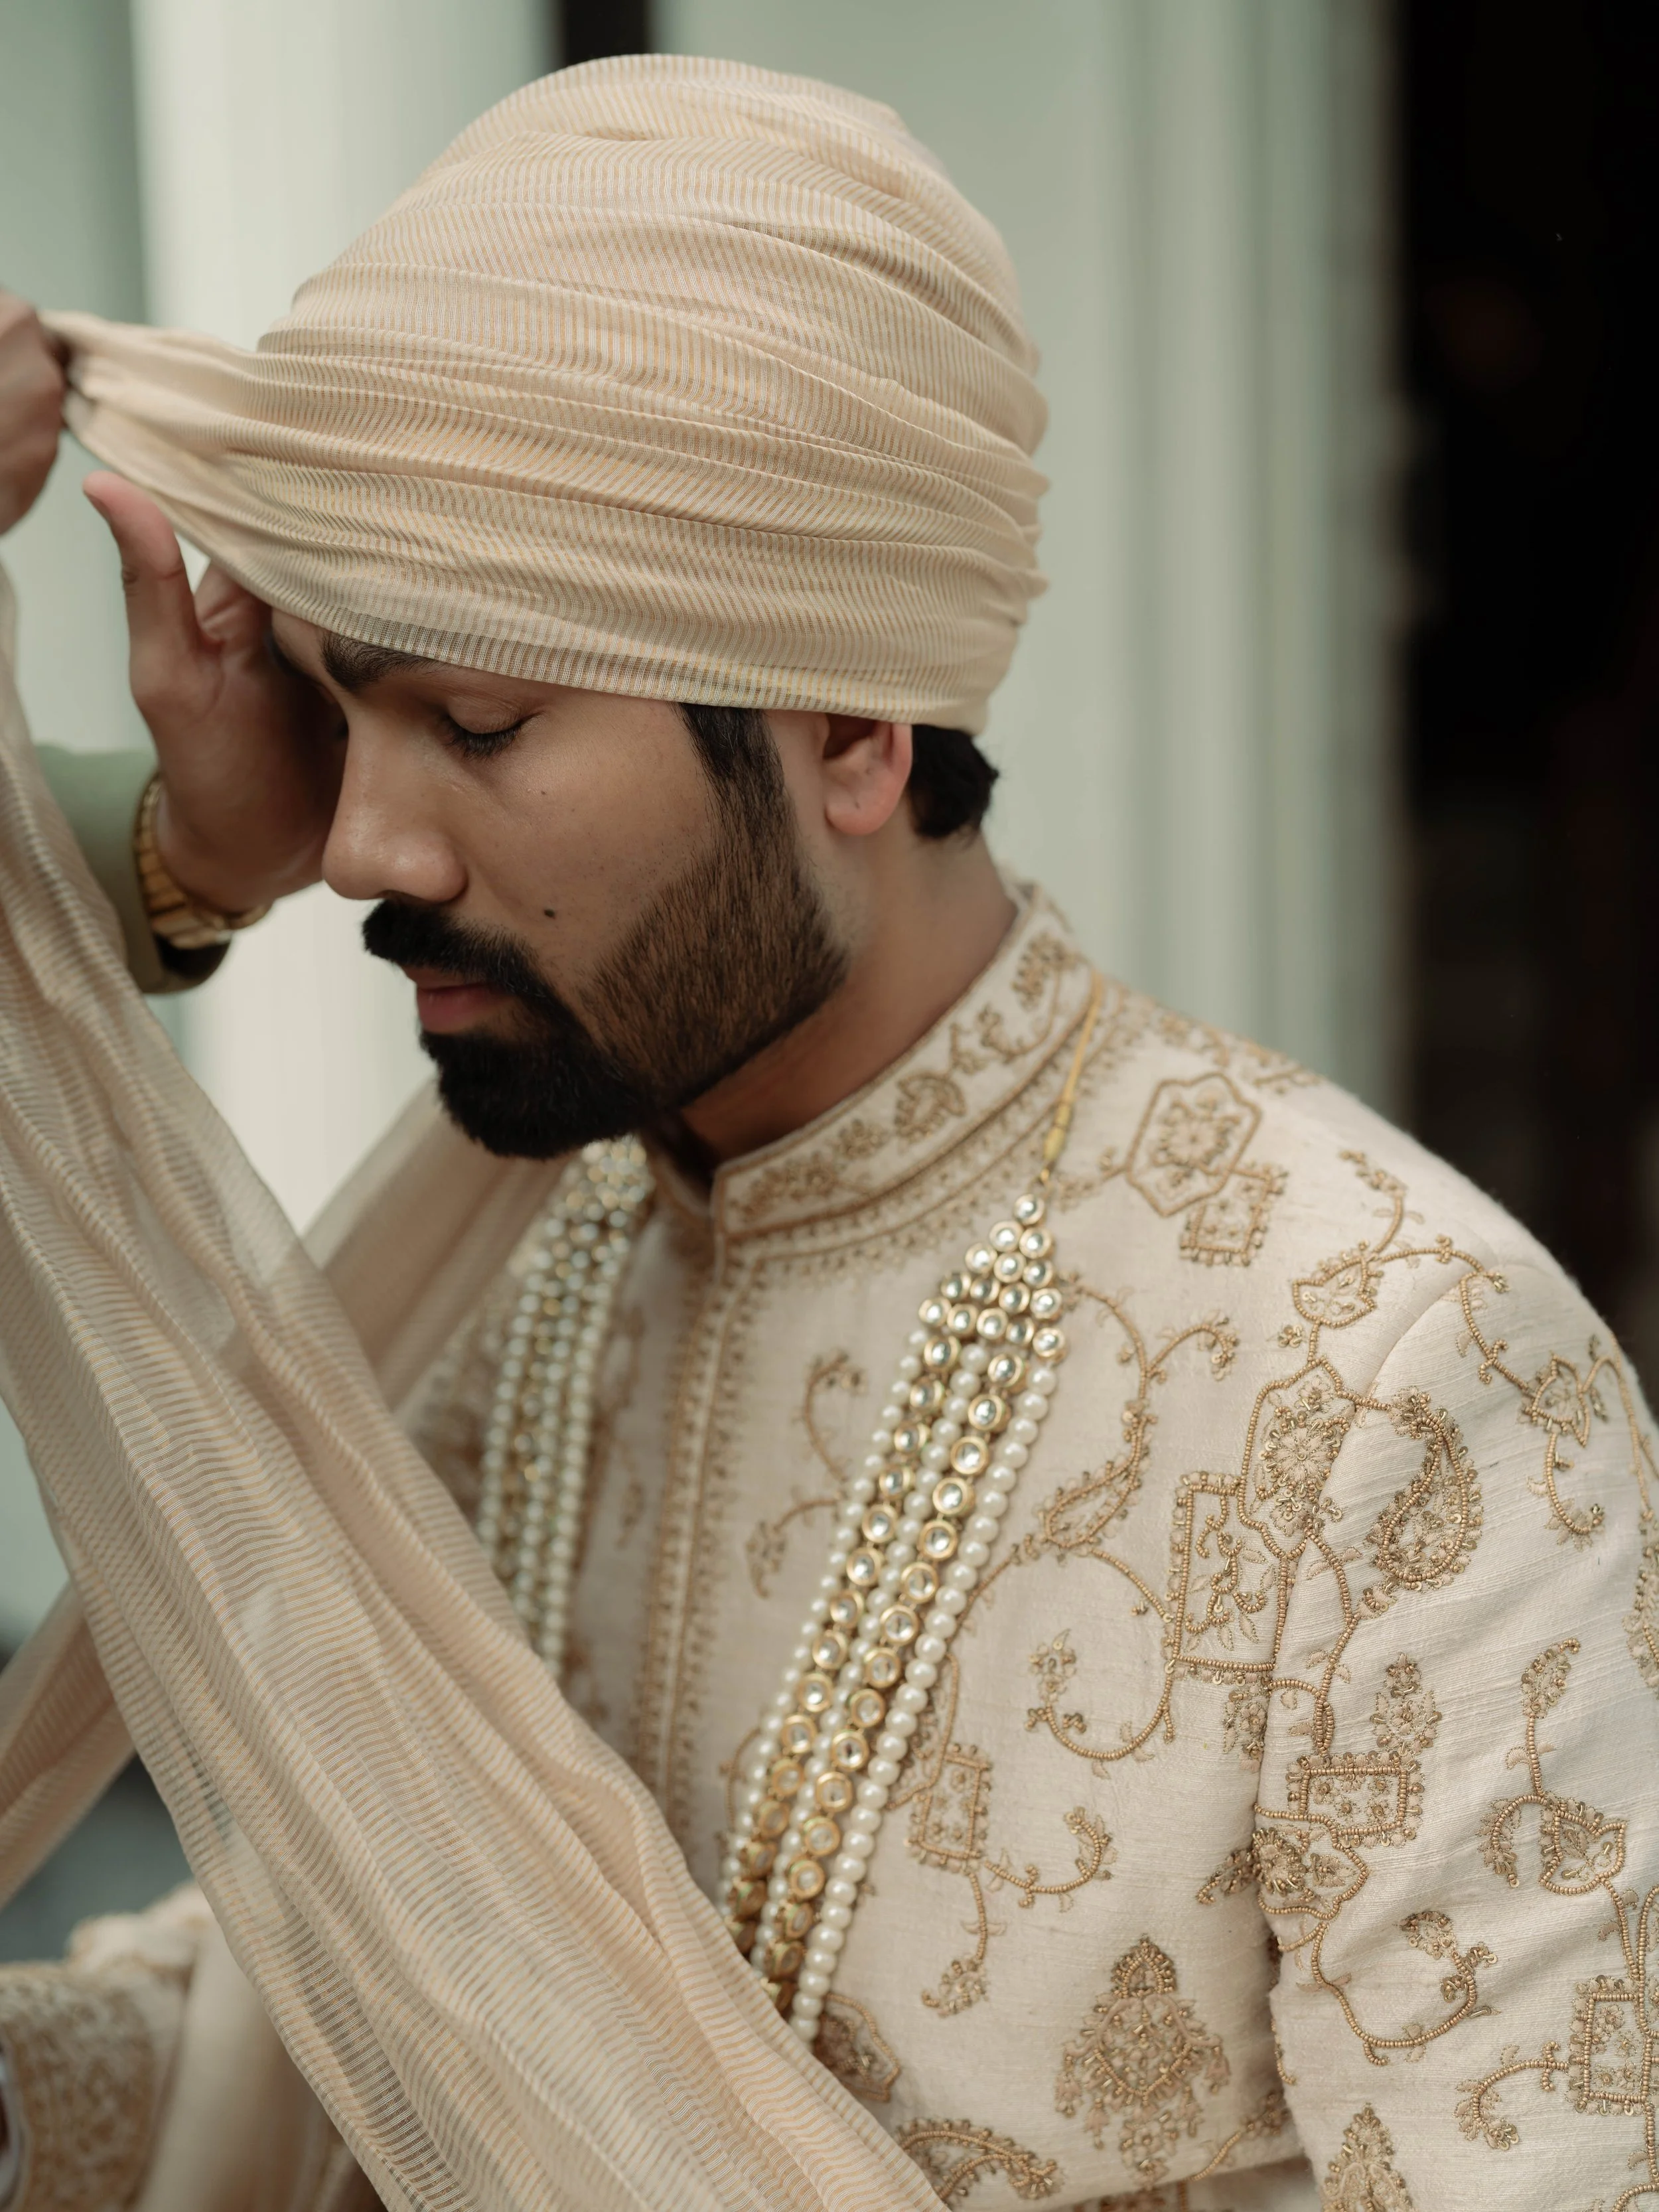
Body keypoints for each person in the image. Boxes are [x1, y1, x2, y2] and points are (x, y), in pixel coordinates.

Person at [0, 53, 1654, 2212]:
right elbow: (356, 1976)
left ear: (857, 737)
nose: (358, 836)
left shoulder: (1395, 1376)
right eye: (334, 699)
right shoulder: (522, 1266)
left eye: (476, 719)